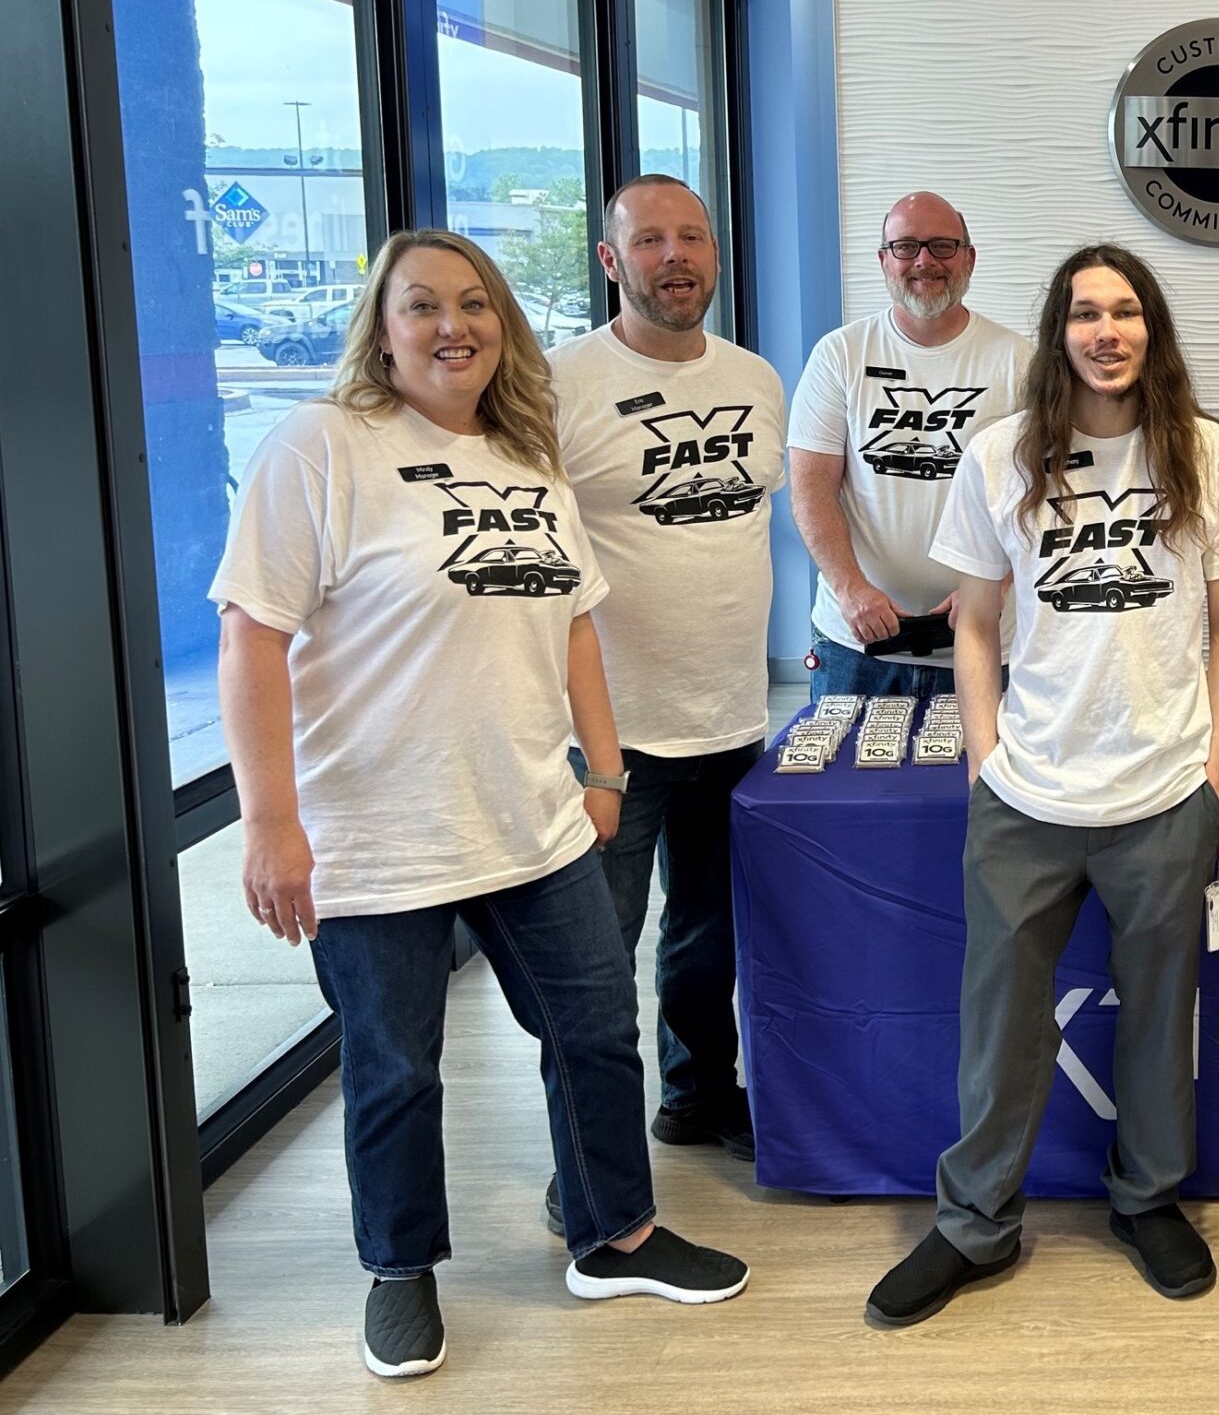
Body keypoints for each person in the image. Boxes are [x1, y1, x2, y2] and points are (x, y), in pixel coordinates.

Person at [212, 230, 749, 1381]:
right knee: (397, 1068)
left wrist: (603, 769)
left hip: (531, 818)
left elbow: (576, 619)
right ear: (383, 325)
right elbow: (252, 634)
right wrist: (271, 822)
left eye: (474, 304)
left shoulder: (525, 455)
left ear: (501, 325)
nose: (452, 325)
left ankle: (617, 1234)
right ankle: (399, 1272)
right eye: (422, 307)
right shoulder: (320, 447)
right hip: (375, 836)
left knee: (595, 1032)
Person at [865, 244, 1219, 1326]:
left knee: (1158, 1015)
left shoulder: (1206, 454)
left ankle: (1147, 1200)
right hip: (1026, 795)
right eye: (1084, 313)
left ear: (1152, 329)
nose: (1106, 331)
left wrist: (1213, 773)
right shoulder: (1001, 455)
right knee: (998, 1022)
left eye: (1125, 311)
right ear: (1059, 332)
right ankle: (974, 1224)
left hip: (1163, 790)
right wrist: (987, 757)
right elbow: (977, 625)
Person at [548, 175, 787, 1216]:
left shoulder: (756, 378)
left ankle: (696, 1097)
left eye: (691, 236)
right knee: (589, 968)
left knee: (705, 938)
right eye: (650, 241)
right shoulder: (556, 388)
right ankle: (585, 1166)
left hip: (731, 718)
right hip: (608, 738)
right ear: (611, 261)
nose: (675, 256)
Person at [789, 192, 1031, 697]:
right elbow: (811, 492)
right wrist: (850, 588)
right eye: (905, 246)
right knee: (846, 776)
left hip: (983, 636)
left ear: (969, 257)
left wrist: (995, 585)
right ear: (883, 260)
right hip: (855, 643)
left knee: (980, 777)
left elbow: (1039, 494)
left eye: (943, 246)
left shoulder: (1019, 362)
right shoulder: (840, 355)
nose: (925, 260)